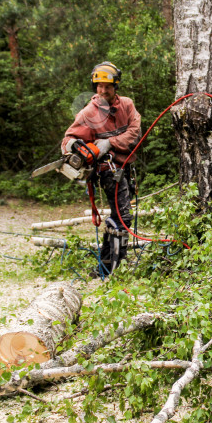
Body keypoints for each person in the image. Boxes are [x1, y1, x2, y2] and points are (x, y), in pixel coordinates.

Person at [61, 62, 141, 277]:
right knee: (123, 215)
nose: (103, 90)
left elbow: (135, 131)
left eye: (107, 86)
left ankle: (106, 266)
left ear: (115, 86)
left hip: (125, 167)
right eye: (99, 86)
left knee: (120, 215)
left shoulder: (127, 105)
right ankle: (109, 268)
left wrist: (110, 142)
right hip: (108, 170)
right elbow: (68, 139)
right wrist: (76, 145)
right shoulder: (89, 112)